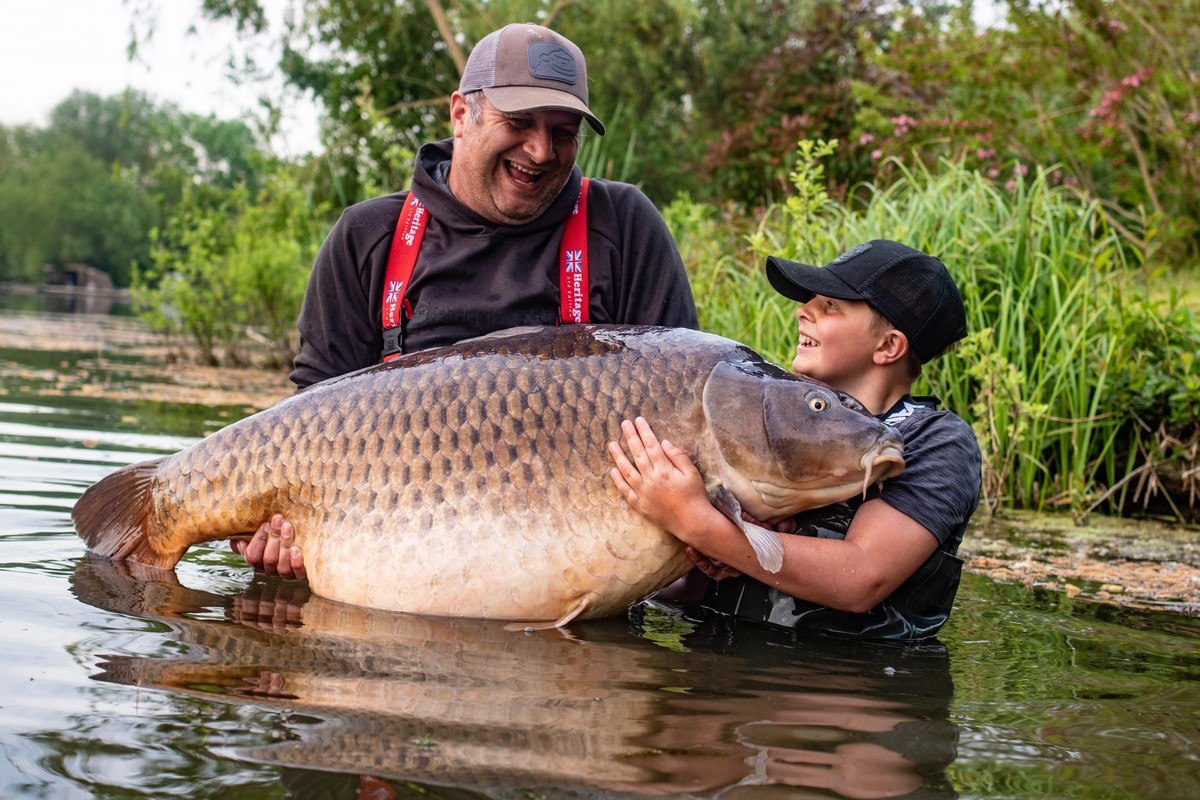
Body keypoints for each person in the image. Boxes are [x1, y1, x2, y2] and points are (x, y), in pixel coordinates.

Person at [235, 22, 699, 577]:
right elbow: (312, 420)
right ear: (461, 114)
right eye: (519, 122)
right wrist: (280, 530)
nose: (541, 150)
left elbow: (683, 398)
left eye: (564, 131)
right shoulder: (369, 238)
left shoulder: (623, 227)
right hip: (394, 570)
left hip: (578, 570)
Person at [608, 240, 982, 640]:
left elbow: (863, 578)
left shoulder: (938, 440)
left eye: (830, 307)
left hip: (846, 679)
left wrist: (700, 525)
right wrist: (711, 555)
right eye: (811, 302)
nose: (804, 311)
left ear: (888, 346)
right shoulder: (770, 424)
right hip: (717, 665)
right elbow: (693, 593)